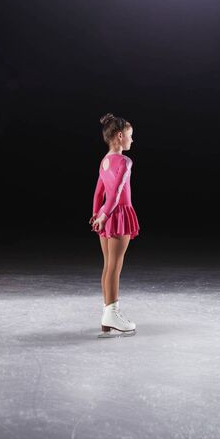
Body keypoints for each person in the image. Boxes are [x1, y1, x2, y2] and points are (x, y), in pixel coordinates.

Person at [90, 112, 140, 338]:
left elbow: (98, 192)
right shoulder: (125, 161)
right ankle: (112, 314)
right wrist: (105, 215)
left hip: (105, 214)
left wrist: (97, 214)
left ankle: (106, 315)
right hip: (117, 214)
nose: (132, 140)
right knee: (114, 267)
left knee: (107, 265)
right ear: (120, 136)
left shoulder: (104, 161)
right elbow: (117, 190)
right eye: (130, 135)